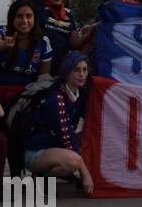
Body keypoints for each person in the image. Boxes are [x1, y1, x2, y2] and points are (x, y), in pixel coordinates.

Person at [22, 51, 93, 194]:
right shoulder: (56, 98)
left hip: (54, 147)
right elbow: (66, 136)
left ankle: (52, 174)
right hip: (36, 151)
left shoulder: (78, 93)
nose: (82, 74)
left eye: (84, 70)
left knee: (90, 136)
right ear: (67, 72)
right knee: (74, 161)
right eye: (76, 70)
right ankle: (42, 177)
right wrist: (86, 174)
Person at [0, 0, 53, 85]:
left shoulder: (43, 41)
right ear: (12, 18)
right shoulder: (2, 31)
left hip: (25, 94)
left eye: (29, 16)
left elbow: (43, 79)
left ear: (35, 18)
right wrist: (3, 45)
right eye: (19, 16)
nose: (24, 20)